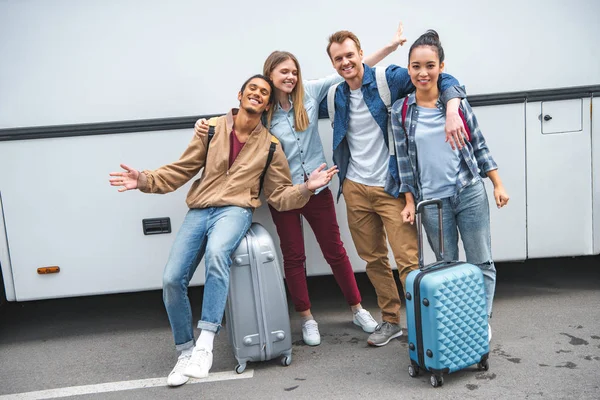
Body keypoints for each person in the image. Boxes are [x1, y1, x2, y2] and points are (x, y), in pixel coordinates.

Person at [109, 74, 338, 387]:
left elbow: (279, 194)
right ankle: (185, 353)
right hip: (200, 210)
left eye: (264, 93)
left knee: (218, 253)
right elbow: (182, 169)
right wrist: (144, 180)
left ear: (268, 104)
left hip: (235, 210)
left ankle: (205, 345)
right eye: (252, 89)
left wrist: (306, 188)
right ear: (240, 95)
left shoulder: (270, 146)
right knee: (172, 279)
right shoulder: (213, 128)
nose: (257, 94)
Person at [195, 23, 407, 347]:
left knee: (336, 251)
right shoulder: (263, 111)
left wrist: (391, 47)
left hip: (318, 188)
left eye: (294, 71)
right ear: (271, 75)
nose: (291, 77)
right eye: (284, 72)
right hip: (284, 195)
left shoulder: (309, 93)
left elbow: (353, 71)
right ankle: (307, 318)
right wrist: (205, 125)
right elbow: (233, 122)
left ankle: (358, 309)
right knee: (294, 257)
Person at [319, 30, 467, 347]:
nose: (345, 62)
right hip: (355, 188)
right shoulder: (335, 95)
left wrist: (453, 105)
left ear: (360, 52)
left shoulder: (388, 79)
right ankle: (390, 321)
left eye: (349, 55)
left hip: (391, 185)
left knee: (408, 261)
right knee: (373, 260)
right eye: (338, 58)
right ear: (333, 63)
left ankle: (420, 323)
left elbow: (438, 76)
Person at [391, 30, 510, 341]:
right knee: (447, 266)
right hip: (431, 203)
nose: (423, 72)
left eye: (430, 65)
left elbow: (479, 145)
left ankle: (480, 322)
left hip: (468, 191)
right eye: (415, 66)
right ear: (409, 69)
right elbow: (403, 161)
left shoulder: (455, 103)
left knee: (480, 261)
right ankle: (458, 322)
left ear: (441, 67)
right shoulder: (400, 112)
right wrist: (408, 201)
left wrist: (497, 184)